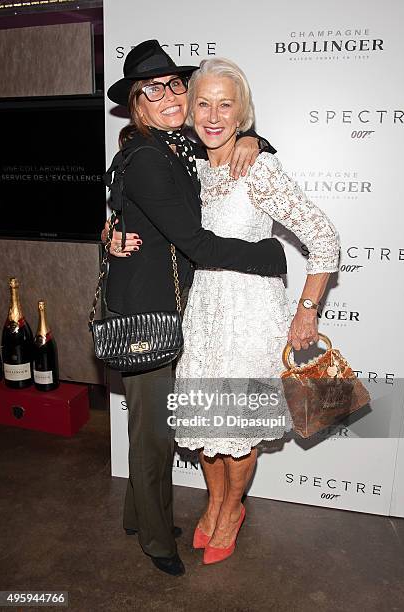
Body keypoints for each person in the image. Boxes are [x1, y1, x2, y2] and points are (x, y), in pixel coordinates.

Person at [104, 40, 287, 577]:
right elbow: (198, 244)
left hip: (182, 309)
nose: (169, 97)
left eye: (174, 85)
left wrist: (255, 138)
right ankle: (158, 541)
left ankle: (139, 517)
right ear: (138, 103)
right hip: (149, 314)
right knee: (153, 434)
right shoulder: (148, 158)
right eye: (152, 90)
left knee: (153, 427)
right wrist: (267, 253)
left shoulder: (177, 144)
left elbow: (225, 136)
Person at [172, 58, 341, 565]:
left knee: (239, 428)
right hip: (204, 313)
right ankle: (214, 503)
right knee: (207, 424)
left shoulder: (259, 166)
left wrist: (307, 309)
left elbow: (325, 239)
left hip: (250, 313)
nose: (214, 114)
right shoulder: (187, 169)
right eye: (204, 103)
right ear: (189, 111)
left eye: (226, 103)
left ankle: (231, 511)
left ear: (243, 112)